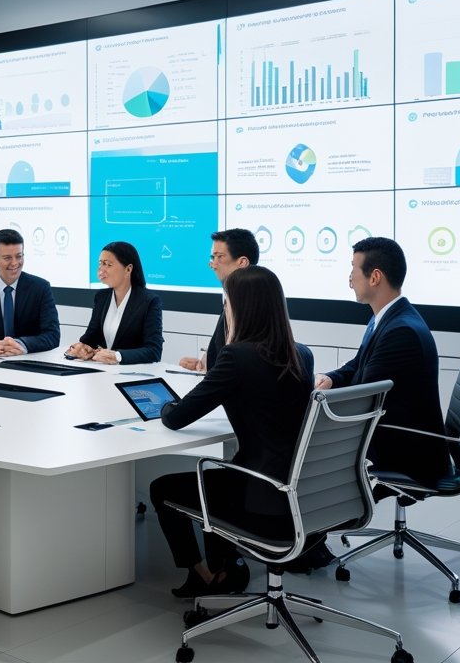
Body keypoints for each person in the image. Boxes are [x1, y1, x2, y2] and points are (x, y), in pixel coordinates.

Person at [150, 265, 314, 598]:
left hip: (261, 497)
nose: (225, 310)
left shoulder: (237, 357)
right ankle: (227, 566)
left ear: (239, 308)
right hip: (300, 496)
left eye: (227, 303)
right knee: (218, 479)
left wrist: (164, 405)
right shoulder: (302, 355)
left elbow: (177, 418)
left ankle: (205, 575)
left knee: (163, 488)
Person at [315, 237, 447, 488]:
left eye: (353, 269)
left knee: (309, 453)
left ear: (375, 277)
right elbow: (360, 364)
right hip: (396, 437)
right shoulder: (389, 318)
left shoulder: (401, 331)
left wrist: (317, 403)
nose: (350, 279)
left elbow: (364, 396)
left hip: (406, 452)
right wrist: (331, 378)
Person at [65, 241, 163, 364]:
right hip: (102, 372)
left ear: (128, 269)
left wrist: (118, 356)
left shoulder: (150, 301)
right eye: (100, 264)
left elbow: (154, 351)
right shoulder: (101, 297)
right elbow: (91, 336)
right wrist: (83, 347)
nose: (101, 269)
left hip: (133, 374)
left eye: (107, 264)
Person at [178, 228, 258, 373]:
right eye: (212, 257)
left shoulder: (251, 305)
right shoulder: (230, 300)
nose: (213, 265)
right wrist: (203, 363)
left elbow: (242, 360)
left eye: (219, 257)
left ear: (242, 262)